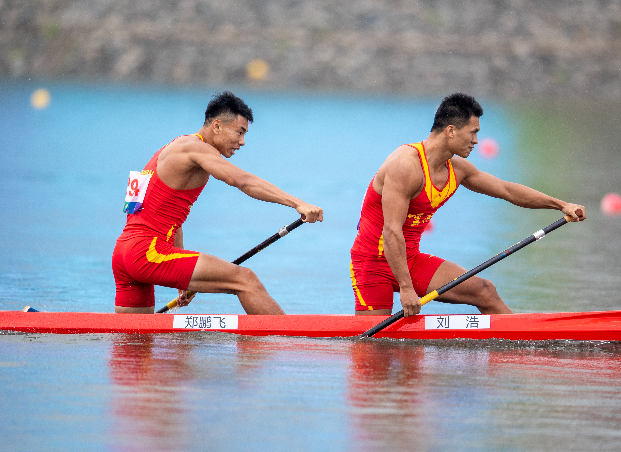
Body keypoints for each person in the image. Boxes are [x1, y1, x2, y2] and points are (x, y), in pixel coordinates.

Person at [350, 93, 585, 317]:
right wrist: (406, 287)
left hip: (409, 260)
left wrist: (560, 205)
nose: (476, 141)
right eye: (473, 133)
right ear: (451, 131)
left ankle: (528, 345)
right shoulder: (405, 167)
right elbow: (391, 231)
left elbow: (507, 190)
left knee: (485, 291)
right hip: (372, 264)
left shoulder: (457, 169)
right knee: (374, 351)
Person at [112, 91, 323, 314]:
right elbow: (242, 181)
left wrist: (182, 277)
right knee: (245, 280)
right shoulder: (195, 149)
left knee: (133, 341)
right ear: (217, 126)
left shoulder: (171, 148)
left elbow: (173, 218)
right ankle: (289, 344)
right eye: (239, 132)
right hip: (148, 252)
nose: (242, 142)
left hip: (123, 254)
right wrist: (297, 203)